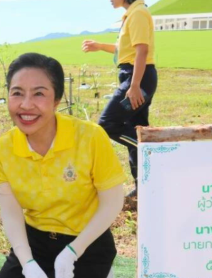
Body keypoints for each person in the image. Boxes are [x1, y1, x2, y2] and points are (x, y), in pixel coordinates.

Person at [0, 53, 126, 278]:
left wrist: (73, 251)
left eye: (39, 94)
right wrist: (28, 263)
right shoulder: (4, 148)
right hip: (37, 242)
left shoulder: (90, 137)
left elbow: (112, 202)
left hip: (86, 244)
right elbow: (10, 212)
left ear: (57, 99)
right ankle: (42, 274)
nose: (26, 105)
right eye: (17, 93)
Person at [82, 0, 156, 198]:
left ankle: (151, 149)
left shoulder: (138, 13)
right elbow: (124, 48)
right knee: (136, 127)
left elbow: (142, 51)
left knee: (108, 123)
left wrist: (134, 86)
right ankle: (144, 188)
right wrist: (99, 46)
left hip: (137, 77)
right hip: (132, 75)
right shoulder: (131, 14)